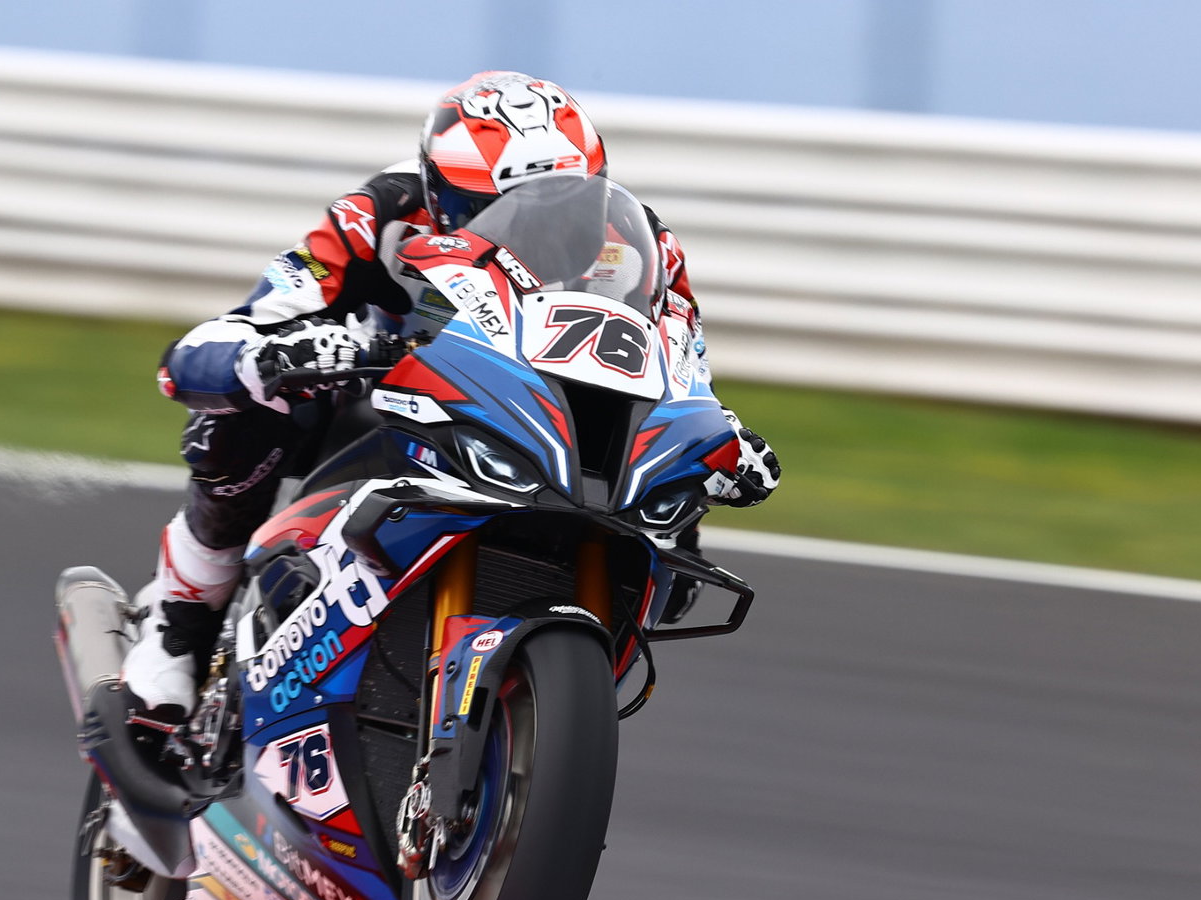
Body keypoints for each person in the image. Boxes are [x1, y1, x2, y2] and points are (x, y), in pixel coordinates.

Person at [123, 70, 781, 727]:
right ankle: (181, 620)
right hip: (389, 399)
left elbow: (683, 367)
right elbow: (239, 327)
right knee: (250, 414)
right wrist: (279, 354)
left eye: (564, 205)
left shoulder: (645, 248)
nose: (537, 229)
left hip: (541, 422)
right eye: (493, 208)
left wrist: (722, 436)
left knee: (681, 513)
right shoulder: (373, 214)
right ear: (437, 193)